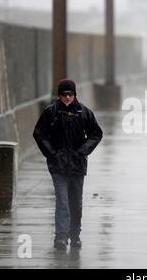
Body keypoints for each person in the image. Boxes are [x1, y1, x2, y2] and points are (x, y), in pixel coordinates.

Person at [33, 78, 103, 250]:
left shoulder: (84, 113)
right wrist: (52, 153)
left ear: (74, 94)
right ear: (59, 95)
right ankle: (61, 237)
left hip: (78, 166)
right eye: (64, 94)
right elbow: (39, 133)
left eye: (70, 94)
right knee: (62, 202)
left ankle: (75, 235)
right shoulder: (51, 112)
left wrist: (82, 151)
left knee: (76, 203)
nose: (67, 97)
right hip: (58, 166)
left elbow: (96, 134)